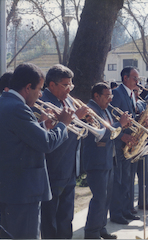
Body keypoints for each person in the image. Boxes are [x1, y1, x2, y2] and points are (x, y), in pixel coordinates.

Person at [0, 63, 73, 239]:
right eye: (39, 89)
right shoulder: (18, 108)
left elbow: (17, 136)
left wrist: (42, 126)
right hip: (22, 192)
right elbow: (47, 144)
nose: (40, 94)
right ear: (27, 88)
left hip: (10, 189)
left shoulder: (5, 102)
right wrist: (63, 124)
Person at [40, 64, 90, 239]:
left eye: (71, 85)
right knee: (50, 219)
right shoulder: (43, 101)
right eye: (65, 85)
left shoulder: (68, 100)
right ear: (51, 85)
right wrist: (76, 117)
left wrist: (82, 118)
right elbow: (53, 129)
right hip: (53, 167)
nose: (69, 90)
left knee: (66, 217)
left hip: (69, 166)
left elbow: (74, 124)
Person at [83, 82, 131, 239]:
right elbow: (102, 134)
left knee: (106, 198)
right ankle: (91, 233)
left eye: (111, 96)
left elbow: (113, 133)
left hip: (108, 159)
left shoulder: (104, 109)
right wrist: (119, 125)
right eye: (107, 96)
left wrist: (122, 127)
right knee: (99, 198)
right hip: (97, 161)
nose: (110, 99)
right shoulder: (91, 110)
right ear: (96, 96)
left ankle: (101, 228)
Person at [108, 66, 140, 225]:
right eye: (135, 78)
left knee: (127, 180)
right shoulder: (117, 94)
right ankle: (117, 213)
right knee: (119, 181)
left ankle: (126, 210)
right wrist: (123, 136)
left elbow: (129, 119)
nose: (137, 81)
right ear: (125, 78)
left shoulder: (131, 94)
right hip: (119, 143)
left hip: (128, 144)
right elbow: (111, 122)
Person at [132, 85, 148, 211]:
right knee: (130, 179)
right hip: (131, 144)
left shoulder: (142, 104)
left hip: (143, 144)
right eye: (134, 91)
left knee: (144, 176)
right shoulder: (128, 102)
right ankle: (129, 206)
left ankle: (143, 202)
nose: (136, 93)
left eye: (138, 91)